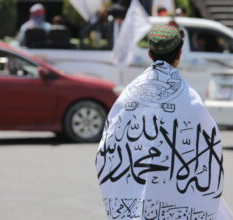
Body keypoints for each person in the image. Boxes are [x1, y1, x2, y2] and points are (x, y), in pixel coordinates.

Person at [96, 25, 225, 219]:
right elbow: (209, 154)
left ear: (149, 53)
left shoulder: (127, 97)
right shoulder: (189, 100)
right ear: (179, 54)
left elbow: (106, 151)